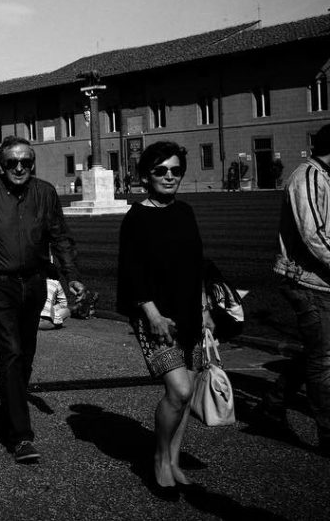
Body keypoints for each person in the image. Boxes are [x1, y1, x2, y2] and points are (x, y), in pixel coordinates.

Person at [0, 135, 87, 464]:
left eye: (26, 162)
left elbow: (60, 236)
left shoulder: (45, 192)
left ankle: (11, 408)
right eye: (13, 162)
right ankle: (21, 436)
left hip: (35, 281)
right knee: (10, 352)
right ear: (1, 165)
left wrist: (72, 277)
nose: (20, 168)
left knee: (26, 352)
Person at [117, 141, 212, 496]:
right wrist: (153, 314)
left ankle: (173, 459)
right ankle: (159, 459)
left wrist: (205, 311)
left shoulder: (185, 211)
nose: (169, 176)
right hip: (156, 316)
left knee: (186, 396)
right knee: (180, 389)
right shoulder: (137, 217)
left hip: (190, 313)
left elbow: (196, 266)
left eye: (175, 170)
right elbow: (131, 272)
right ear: (146, 176)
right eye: (160, 170)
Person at [263, 124, 330, 455]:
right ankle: (326, 429)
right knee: (324, 358)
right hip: (307, 281)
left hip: (320, 281)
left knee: (318, 351)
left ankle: (273, 404)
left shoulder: (323, 177)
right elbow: (314, 235)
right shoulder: (308, 177)